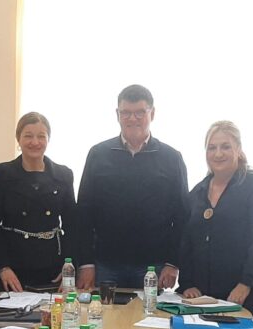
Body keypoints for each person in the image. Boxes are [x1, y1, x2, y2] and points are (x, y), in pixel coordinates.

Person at [74, 84, 188, 290]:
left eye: (139, 112)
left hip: (153, 267)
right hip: (105, 265)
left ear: (152, 113)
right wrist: (86, 263)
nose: (132, 119)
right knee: (103, 312)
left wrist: (173, 263)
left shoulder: (172, 158)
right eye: (126, 112)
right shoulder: (98, 154)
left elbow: (181, 214)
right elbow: (84, 212)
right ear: (117, 114)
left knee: (149, 313)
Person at [179, 120, 253, 322]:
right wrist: (187, 283)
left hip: (245, 289)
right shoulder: (197, 192)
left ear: (238, 149)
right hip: (203, 294)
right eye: (211, 148)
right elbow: (187, 241)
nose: (218, 154)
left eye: (225, 147)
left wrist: (245, 284)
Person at [0, 111, 76, 291]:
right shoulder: (2, 173)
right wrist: (2, 267)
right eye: (28, 136)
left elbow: (72, 224)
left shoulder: (63, 175)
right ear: (18, 139)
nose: (35, 142)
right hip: (13, 268)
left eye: (41, 136)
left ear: (48, 139)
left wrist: (69, 265)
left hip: (53, 266)